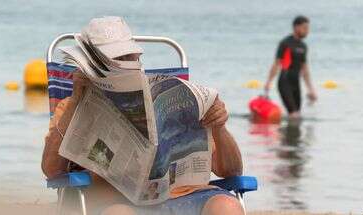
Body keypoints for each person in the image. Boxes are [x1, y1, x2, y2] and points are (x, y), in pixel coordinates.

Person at [41, 16, 245, 215]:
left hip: (184, 195)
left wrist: (220, 127)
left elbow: (232, 172)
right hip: (116, 201)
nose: (128, 63)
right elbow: (52, 171)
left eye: (131, 57)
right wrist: (77, 99)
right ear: (91, 66)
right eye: (118, 59)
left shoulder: (173, 97)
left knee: (228, 207)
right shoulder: (71, 107)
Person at [264, 15, 317, 118]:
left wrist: (311, 89)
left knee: (297, 114)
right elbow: (276, 64)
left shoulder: (303, 46)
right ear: (296, 27)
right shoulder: (285, 43)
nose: (307, 31)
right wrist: (268, 82)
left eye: (308, 28)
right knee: (294, 114)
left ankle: (290, 133)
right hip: (285, 82)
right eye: (305, 28)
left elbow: (305, 69)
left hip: (296, 83)